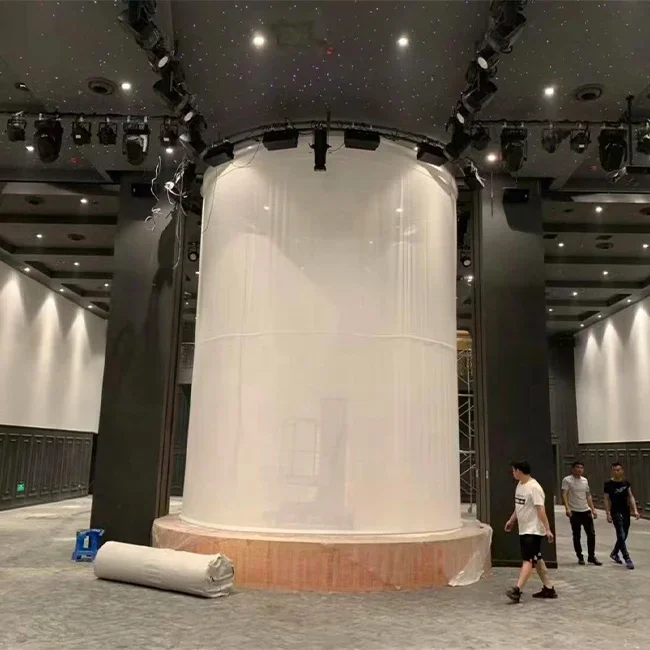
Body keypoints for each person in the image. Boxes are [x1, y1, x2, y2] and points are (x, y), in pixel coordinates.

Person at [505, 460, 557, 603]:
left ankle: (517, 590)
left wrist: (547, 529)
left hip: (533, 531)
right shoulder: (520, 485)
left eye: (514, 470)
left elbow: (541, 510)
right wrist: (511, 520)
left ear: (519, 471)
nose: (513, 473)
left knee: (528, 560)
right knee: (537, 559)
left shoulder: (534, 487)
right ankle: (549, 588)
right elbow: (519, 506)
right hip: (524, 529)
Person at [561, 461, 601, 565]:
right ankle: (580, 556)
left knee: (591, 534)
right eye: (577, 467)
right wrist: (567, 508)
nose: (579, 469)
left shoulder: (585, 480)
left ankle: (591, 556)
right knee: (576, 535)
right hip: (574, 511)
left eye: (581, 468)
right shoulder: (567, 480)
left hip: (585, 510)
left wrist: (593, 509)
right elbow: (564, 494)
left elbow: (588, 495)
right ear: (573, 469)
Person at [604, 462, 641, 570]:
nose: (616, 472)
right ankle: (627, 558)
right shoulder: (608, 484)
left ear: (622, 471)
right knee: (620, 534)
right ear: (612, 471)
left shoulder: (626, 483)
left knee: (625, 534)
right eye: (614, 470)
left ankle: (614, 553)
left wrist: (635, 510)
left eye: (618, 470)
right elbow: (606, 499)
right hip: (615, 511)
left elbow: (631, 496)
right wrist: (607, 513)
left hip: (626, 510)